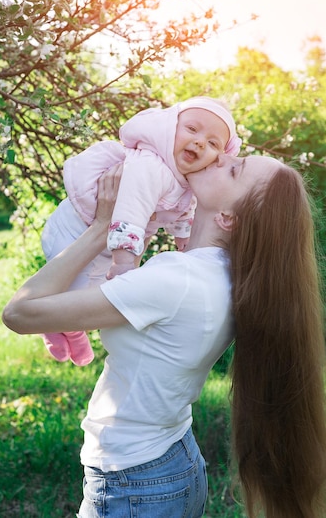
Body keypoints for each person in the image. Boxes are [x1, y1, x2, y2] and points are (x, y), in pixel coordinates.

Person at [2, 153, 326, 518]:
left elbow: (19, 313)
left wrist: (103, 226)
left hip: (133, 482)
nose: (220, 155)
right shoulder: (224, 275)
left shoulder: (176, 280)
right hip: (170, 463)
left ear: (228, 218)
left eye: (234, 169)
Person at [40, 96, 241, 366]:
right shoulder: (151, 166)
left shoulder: (185, 182)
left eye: (213, 142)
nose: (200, 142)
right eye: (192, 129)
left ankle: (68, 327)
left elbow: (184, 213)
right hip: (75, 228)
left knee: (94, 291)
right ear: (170, 128)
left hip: (103, 241)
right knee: (73, 293)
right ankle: (57, 325)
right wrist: (124, 264)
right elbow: (131, 208)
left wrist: (185, 242)